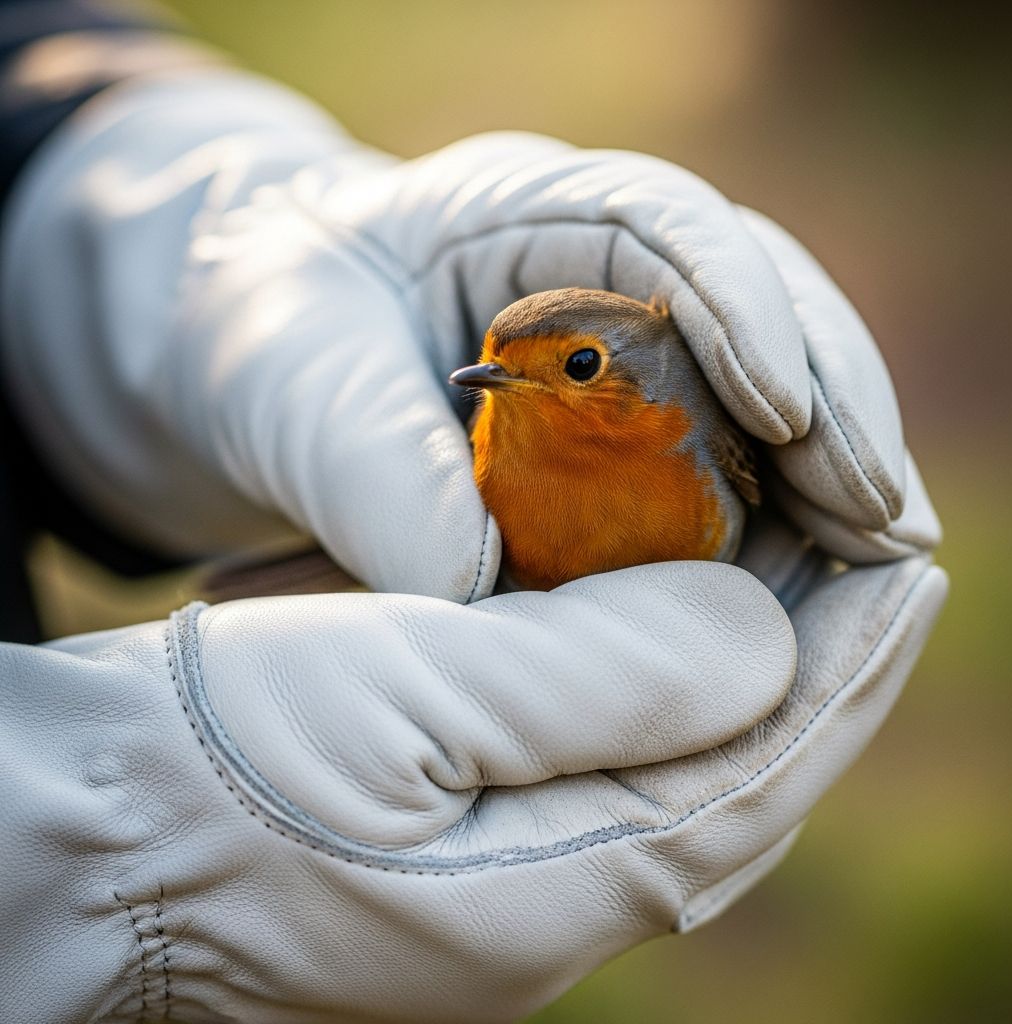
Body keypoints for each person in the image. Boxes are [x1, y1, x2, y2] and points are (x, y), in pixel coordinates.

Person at [0, 3, 947, 1022]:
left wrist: (99, 185)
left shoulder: (694, 442)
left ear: (645, 383)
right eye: (495, 374)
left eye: (576, 369)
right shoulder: (504, 436)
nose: (495, 387)